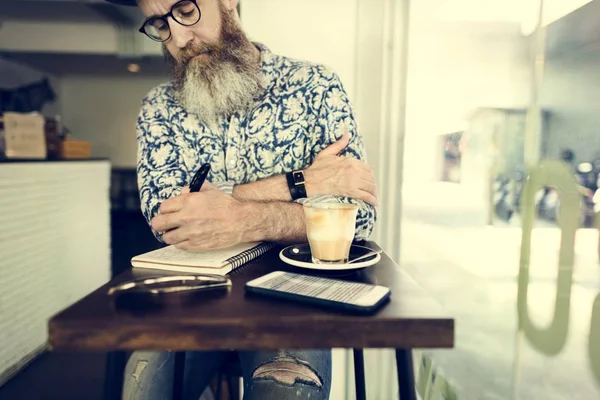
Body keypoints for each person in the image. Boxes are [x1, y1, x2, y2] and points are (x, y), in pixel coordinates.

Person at [105, 0, 378, 399]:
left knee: (286, 391)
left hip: (296, 296)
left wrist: (236, 216)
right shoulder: (159, 107)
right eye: (159, 25)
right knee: (140, 391)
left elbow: (356, 219)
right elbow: (166, 220)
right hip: (188, 293)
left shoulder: (315, 85)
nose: (178, 38)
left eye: (184, 10)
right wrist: (299, 184)